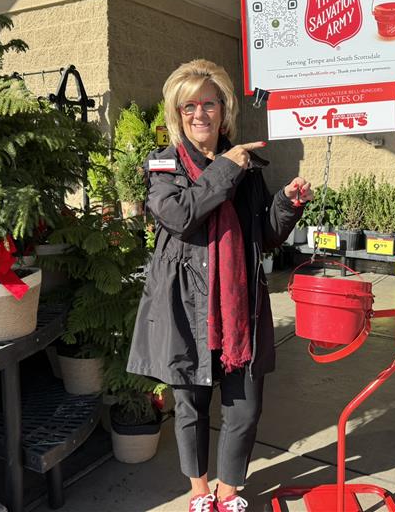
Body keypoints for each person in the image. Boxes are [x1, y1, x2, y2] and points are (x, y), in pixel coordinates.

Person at [127, 59, 311, 512]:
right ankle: (198, 491)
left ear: (223, 109)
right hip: (187, 307)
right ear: (177, 112)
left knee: (244, 407)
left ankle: (228, 493)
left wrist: (286, 204)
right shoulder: (163, 164)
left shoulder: (243, 162)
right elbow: (180, 216)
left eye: (209, 103)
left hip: (239, 305)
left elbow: (264, 233)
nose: (200, 114)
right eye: (189, 105)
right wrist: (227, 168)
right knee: (190, 406)